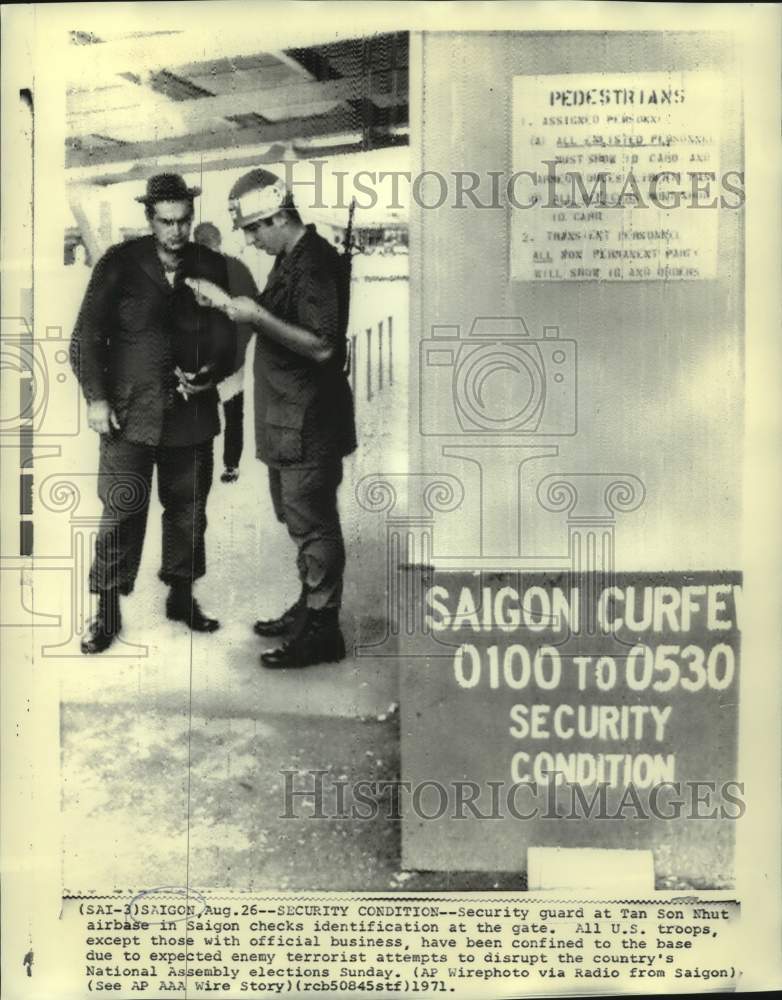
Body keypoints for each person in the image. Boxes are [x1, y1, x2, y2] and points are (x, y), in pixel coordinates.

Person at [188, 168, 356, 669]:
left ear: (281, 216)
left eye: (256, 228)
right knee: (297, 519)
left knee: (313, 524)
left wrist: (255, 316)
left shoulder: (315, 263)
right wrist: (228, 306)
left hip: (309, 422)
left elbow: (324, 345)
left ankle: (323, 631)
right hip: (288, 418)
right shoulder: (290, 258)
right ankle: (311, 606)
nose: (250, 239)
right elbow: (276, 314)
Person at [70, 173, 236, 654]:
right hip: (129, 414)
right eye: (166, 222)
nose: (176, 232)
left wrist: (212, 370)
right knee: (122, 511)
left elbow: (228, 338)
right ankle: (106, 611)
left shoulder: (211, 265)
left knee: (189, 512)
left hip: (191, 414)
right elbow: (85, 338)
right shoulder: (119, 264)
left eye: (184, 221)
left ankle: (181, 598)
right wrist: (97, 399)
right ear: (149, 219)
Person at [192, 221, 257, 483]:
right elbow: (255, 311)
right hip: (233, 355)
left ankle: (199, 466)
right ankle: (231, 465)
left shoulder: (195, 271)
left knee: (201, 412)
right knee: (233, 412)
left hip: (204, 357)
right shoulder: (238, 267)